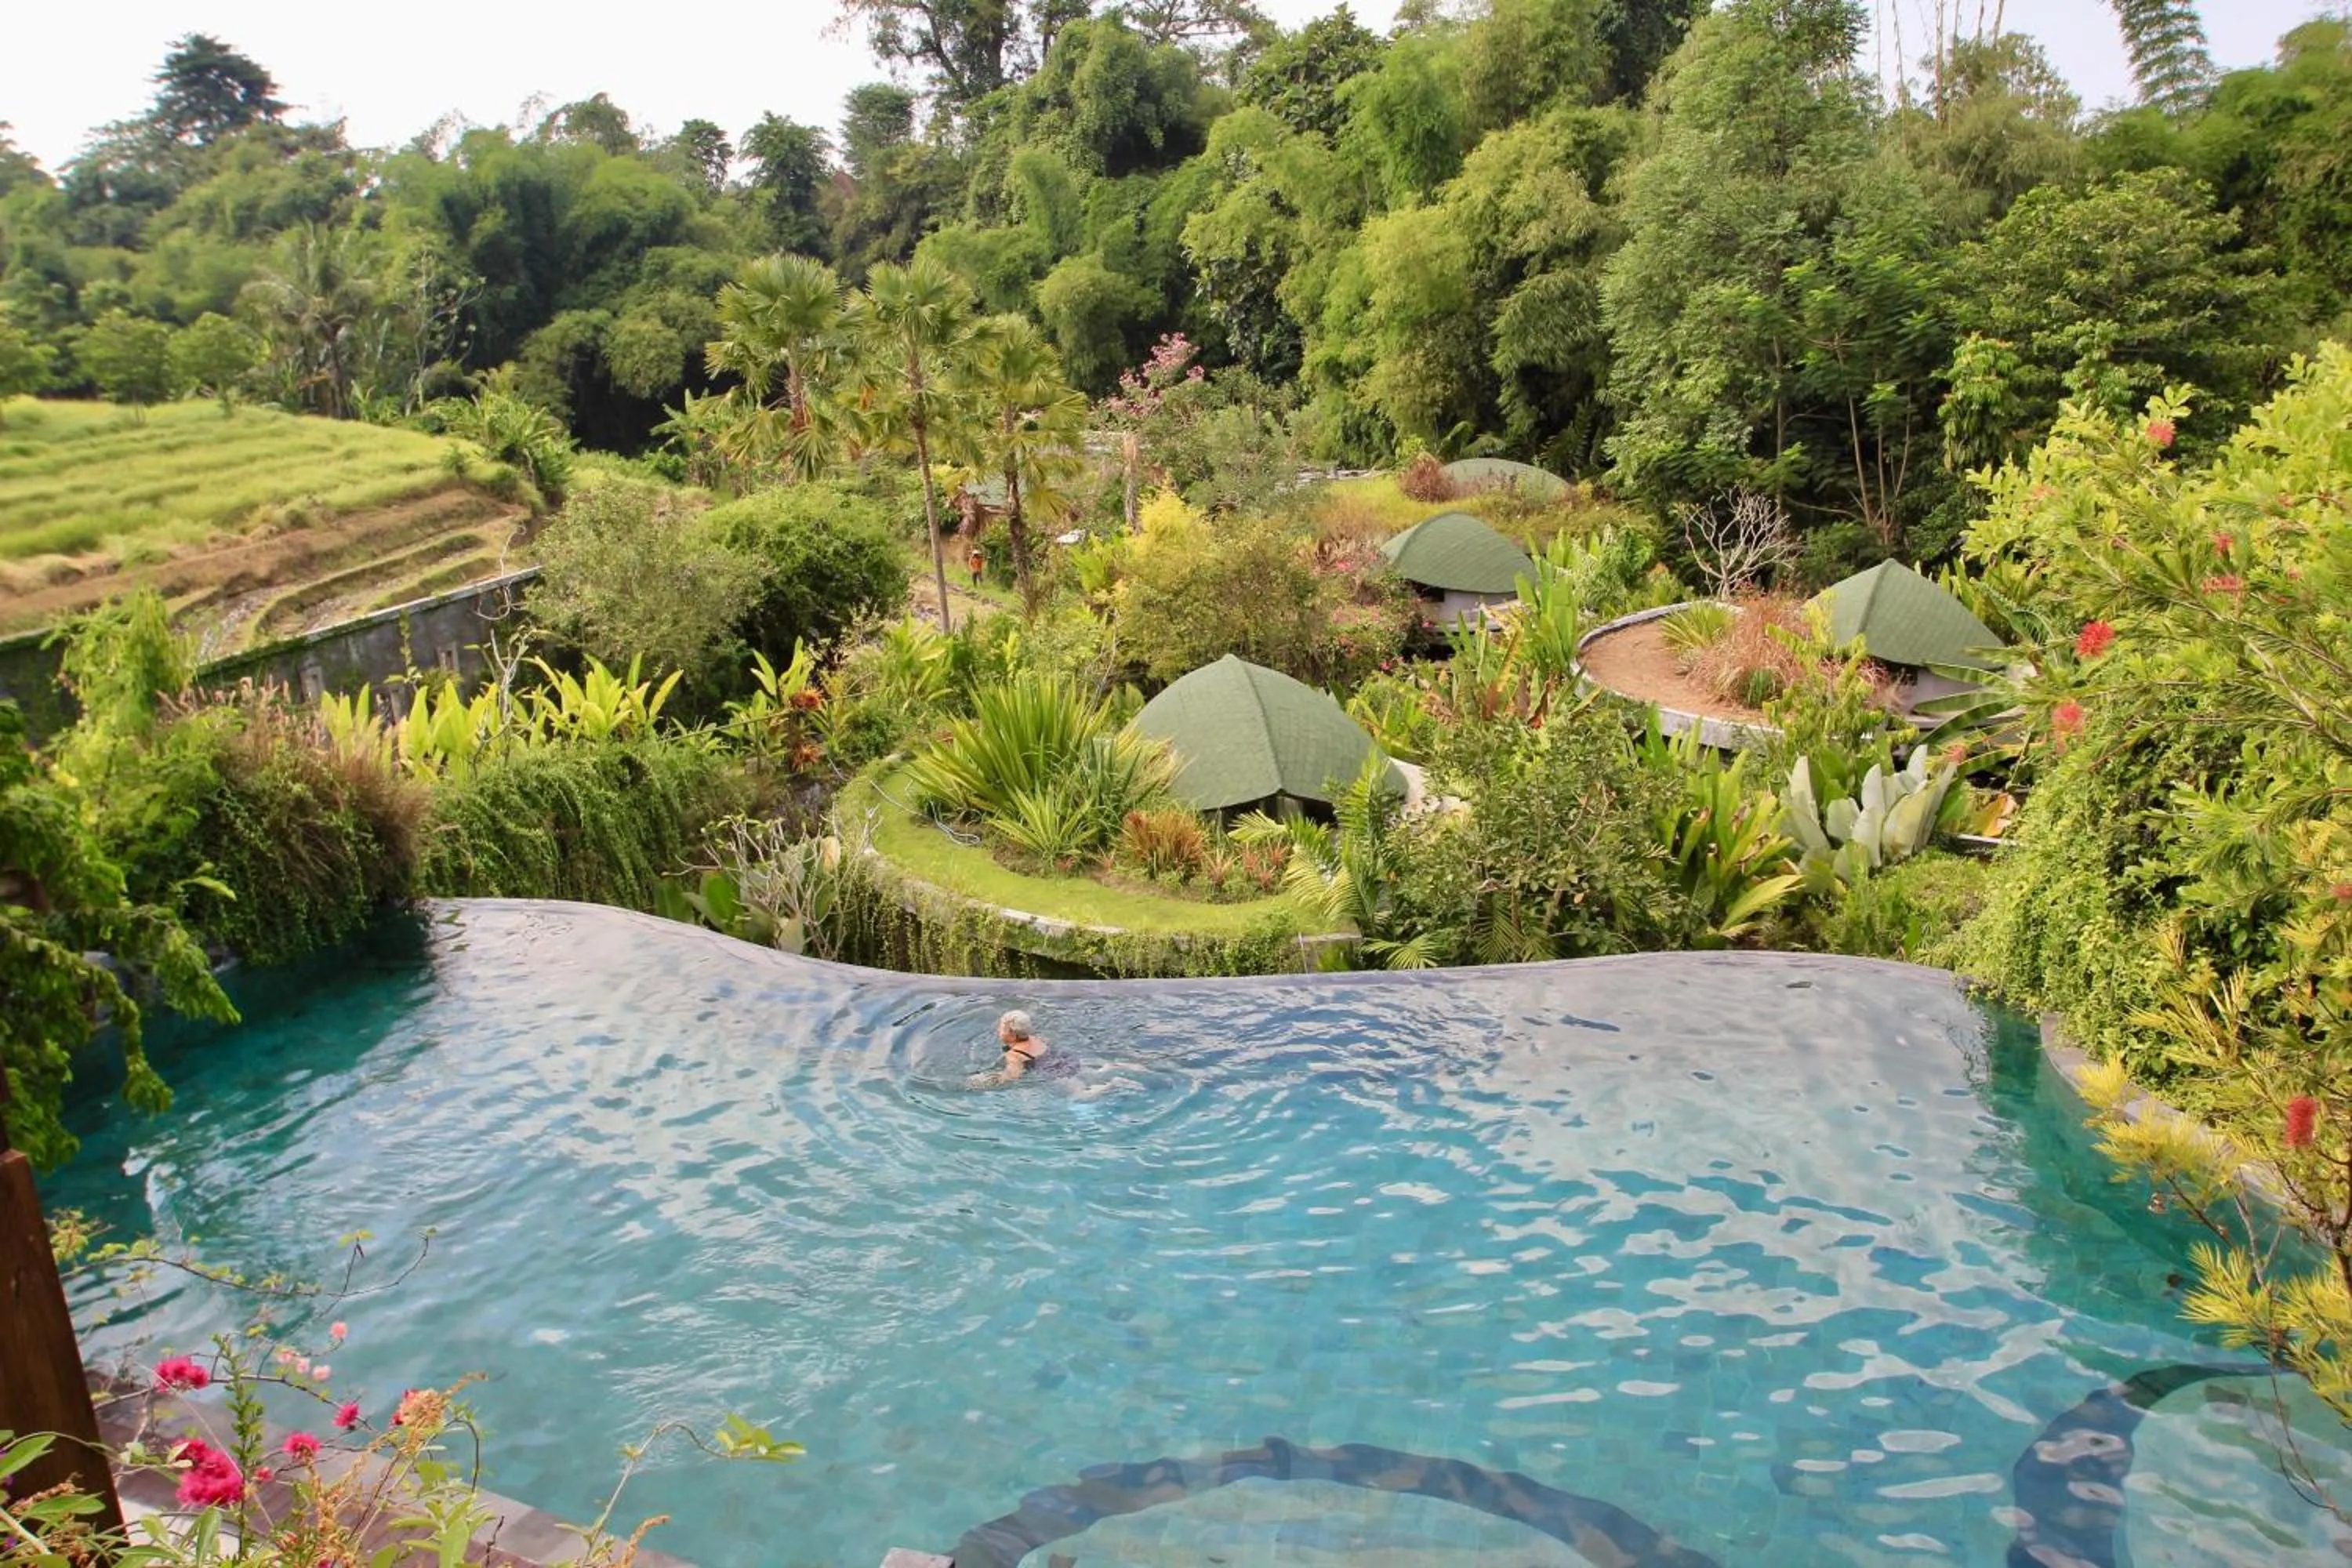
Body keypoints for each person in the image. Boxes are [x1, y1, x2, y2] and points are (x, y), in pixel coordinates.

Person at [967, 1010, 1065, 1089]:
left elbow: (1013, 1075)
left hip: (1051, 1073)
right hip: (1064, 1060)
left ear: (1012, 1034)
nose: (998, 1030)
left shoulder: (1014, 1054)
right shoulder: (1036, 1038)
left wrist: (985, 1080)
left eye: (1001, 1028)